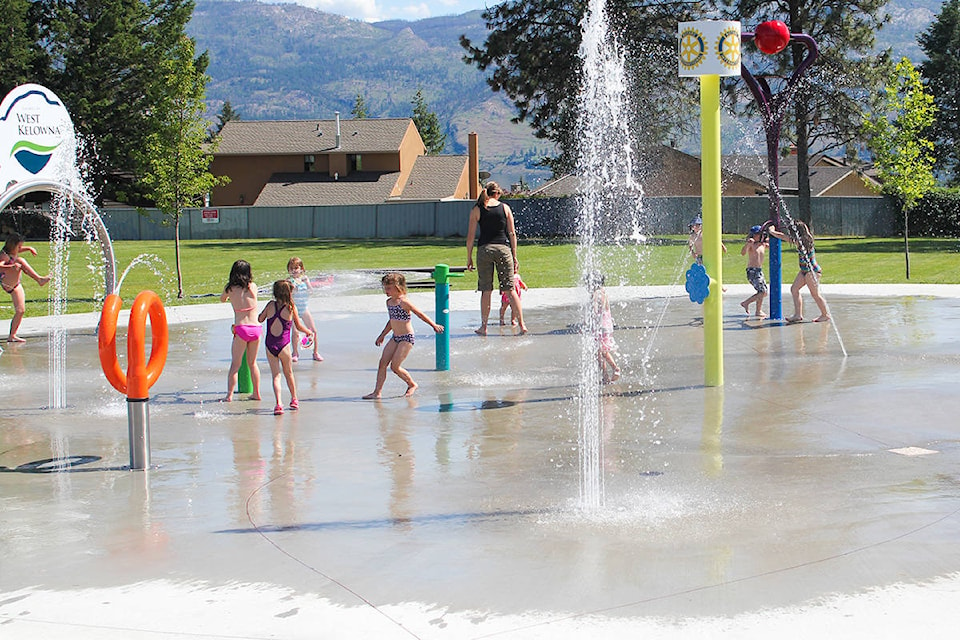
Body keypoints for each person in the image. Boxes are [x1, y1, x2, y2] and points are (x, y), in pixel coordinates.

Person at [363, 272, 443, 399]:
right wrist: (382, 335)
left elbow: (420, 314)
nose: (386, 291)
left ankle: (412, 384)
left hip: (406, 338)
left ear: (398, 287)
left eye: (388, 288)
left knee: (395, 366)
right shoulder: (389, 302)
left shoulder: (404, 302)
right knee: (382, 363)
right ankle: (377, 392)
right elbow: (392, 321)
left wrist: (434, 325)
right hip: (395, 337)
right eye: (384, 288)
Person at [465, 181, 527, 335]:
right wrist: (514, 255)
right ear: (498, 193)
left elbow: (471, 236)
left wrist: (469, 257)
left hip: (485, 249)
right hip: (503, 249)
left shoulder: (477, 209)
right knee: (510, 289)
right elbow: (512, 233)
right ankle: (522, 325)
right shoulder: (505, 208)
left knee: (486, 290)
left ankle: (484, 327)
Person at [258, 280, 314, 415]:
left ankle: (278, 404)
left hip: (270, 345)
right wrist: (308, 332)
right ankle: (294, 399)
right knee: (289, 374)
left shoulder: (270, 305)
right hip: (284, 346)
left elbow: (260, 319)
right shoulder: (290, 307)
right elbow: (299, 326)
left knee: (276, 376)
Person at [767, 220, 831, 323]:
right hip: (804, 271)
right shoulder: (804, 238)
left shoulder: (803, 240)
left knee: (815, 294)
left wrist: (772, 232)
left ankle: (825, 314)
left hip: (812, 271)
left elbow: (783, 237)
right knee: (794, 289)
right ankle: (798, 314)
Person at [220, 259, 261, 402]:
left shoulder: (230, 288)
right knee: (253, 363)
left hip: (241, 328)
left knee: (235, 365)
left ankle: (229, 395)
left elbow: (222, 299)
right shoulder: (253, 286)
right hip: (256, 329)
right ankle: (256, 393)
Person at [0, 233, 51, 343]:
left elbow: (20, 251)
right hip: (7, 283)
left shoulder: (14, 252)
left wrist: (29, 248)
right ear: (13, 245)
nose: (20, 249)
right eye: (19, 246)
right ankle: (39, 279)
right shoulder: (4, 255)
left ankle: (12, 335)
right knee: (21, 261)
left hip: (16, 285)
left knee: (20, 310)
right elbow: (0, 266)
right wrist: (11, 266)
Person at [287, 256, 323, 362]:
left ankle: (315, 352)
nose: (294, 270)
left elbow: (311, 292)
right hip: (294, 310)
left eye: (296, 268)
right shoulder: (289, 281)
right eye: (291, 268)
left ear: (302, 269)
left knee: (313, 330)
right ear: (288, 270)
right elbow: (287, 294)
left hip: (304, 308)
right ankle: (295, 352)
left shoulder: (304, 280)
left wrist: (307, 283)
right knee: (295, 332)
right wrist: (293, 287)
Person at [589, 272, 620, 383]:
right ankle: (612, 371)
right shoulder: (604, 292)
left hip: (599, 326)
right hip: (607, 325)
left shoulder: (596, 294)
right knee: (603, 351)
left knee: (598, 352)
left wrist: (588, 322)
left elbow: (596, 310)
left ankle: (607, 374)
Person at [740, 225, 768, 318]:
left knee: (763, 291)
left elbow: (772, 244)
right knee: (762, 291)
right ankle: (746, 303)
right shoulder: (751, 245)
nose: (762, 236)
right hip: (752, 271)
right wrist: (748, 244)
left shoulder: (763, 244)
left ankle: (758, 310)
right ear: (754, 235)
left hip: (759, 271)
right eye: (760, 234)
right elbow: (743, 253)